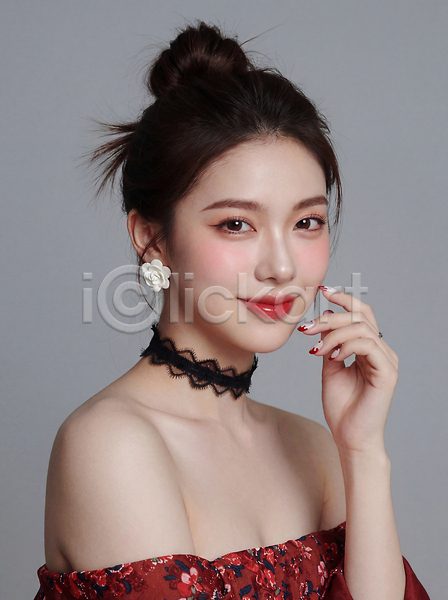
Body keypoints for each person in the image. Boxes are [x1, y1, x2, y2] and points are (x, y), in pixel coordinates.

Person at [34, 21, 429, 600]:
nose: (282, 266)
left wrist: (363, 450)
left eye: (307, 222)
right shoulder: (110, 446)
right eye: (237, 224)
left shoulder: (316, 448)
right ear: (152, 238)